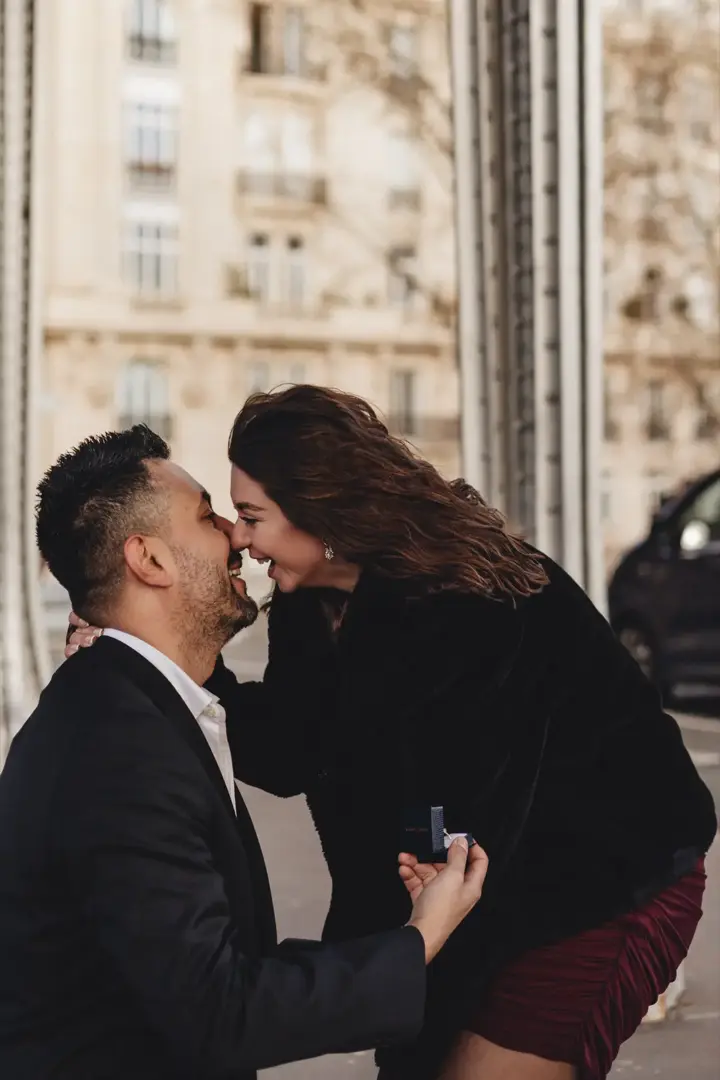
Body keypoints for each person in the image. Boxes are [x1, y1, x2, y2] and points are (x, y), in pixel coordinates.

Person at [68, 386, 718, 1080]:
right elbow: (290, 749)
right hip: (469, 885)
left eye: (253, 516)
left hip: (599, 880)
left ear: (321, 512)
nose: (241, 539)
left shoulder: (471, 604)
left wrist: (376, 981)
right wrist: (168, 662)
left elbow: (468, 823)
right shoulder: (311, 602)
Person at [0, 425, 488, 1080]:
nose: (235, 533)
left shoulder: (130, 709)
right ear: (149, 560)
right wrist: (418, 938)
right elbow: (219, 1010)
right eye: (207, 516)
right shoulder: (121, 751)